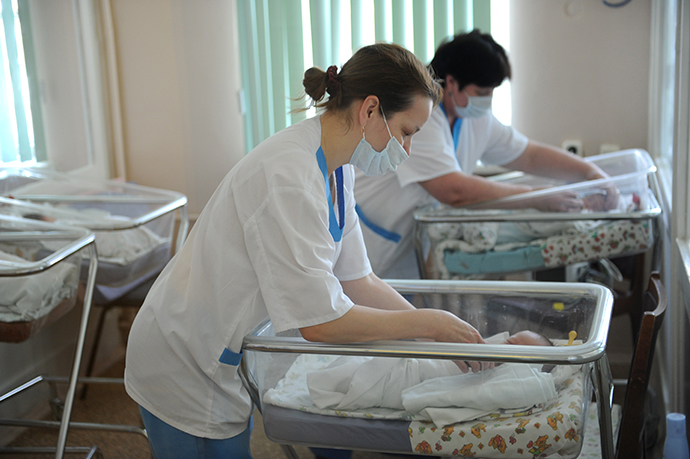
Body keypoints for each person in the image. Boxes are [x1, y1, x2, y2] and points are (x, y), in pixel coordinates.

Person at [123, 43, 488, 459]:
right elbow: (322, 323)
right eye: (406, 132)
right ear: (370, 110)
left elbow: (358, 281)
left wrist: (432, 335)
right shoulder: (290, 173)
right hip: (184, 356)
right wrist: (430, 323)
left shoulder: (339, 171)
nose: (407, 150)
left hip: (225, 351)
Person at [353, 30, 619, 280]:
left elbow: (530, 155)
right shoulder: (421, 118)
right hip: (371, 236)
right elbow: (454, 190)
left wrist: (590, 172)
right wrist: (537, 198)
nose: (487, 100)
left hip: (408, 245)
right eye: (481, 93)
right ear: (452, 83)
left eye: (491, 93)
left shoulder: (475, 119)